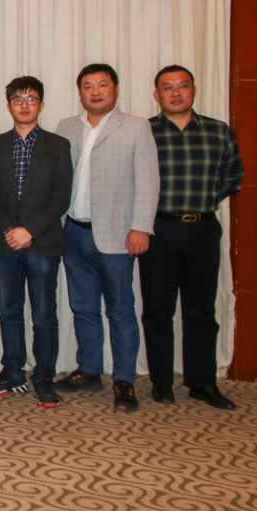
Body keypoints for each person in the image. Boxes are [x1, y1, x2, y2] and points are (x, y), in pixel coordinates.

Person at [55, 63, 159, 414]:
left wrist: (141, 227)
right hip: (73, 232)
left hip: (117, 235)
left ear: (115, 89)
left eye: (102, 84)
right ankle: (88, 370)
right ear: (79, 91)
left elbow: (148, 180)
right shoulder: (67, 127)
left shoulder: (136, 127)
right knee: (83, 308)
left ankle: (124, 379)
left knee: (120, 310)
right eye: (88, 86)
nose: (95, 91)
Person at [140, 65, 244, 410]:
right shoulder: (145, 131)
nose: (176, 93)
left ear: (194, 91)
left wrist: (204, 200)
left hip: (202, 229)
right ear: (157, 94)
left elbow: (233, 176)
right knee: (158, 310)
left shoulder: (218, 131)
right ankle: (162, 382)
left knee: (201, 309)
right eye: (168, 87)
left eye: (182, 86)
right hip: (159, 229)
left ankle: (202, 383)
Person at [0, 77, 73, 408]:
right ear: (8, 105)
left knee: (44, 314)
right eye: (18, 99)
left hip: (42, 243)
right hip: (5, 242)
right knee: (9, 312)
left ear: (41, 105)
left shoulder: (58, 145)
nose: (24, 105)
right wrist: (10, 229)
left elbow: (61, 197)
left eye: (31, 99)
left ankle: (44, 376)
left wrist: (29, 231)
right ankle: (13, 371)